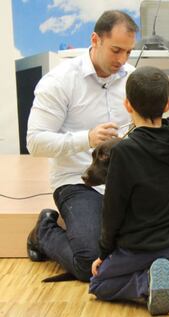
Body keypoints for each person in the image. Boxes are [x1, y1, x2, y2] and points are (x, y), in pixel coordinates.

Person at [26, 10, 138, 282]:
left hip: (124, 182)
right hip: (77, 181)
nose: (122, 60)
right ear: (95, 40)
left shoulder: (132, 78)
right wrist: (86, 138)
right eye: (116, 50)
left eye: (128, 52)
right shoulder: (60, 81)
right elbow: (35, 141)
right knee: (90, 262)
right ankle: (44, 232)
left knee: (149, 245)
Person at [88, 66, 169, 316]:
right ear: (168, 104)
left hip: (142, 247)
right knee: (161, 262)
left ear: (127, 105)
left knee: (99, 284)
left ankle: (147, 282)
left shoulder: (123, 152)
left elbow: (113, 210)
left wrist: (104, 253)